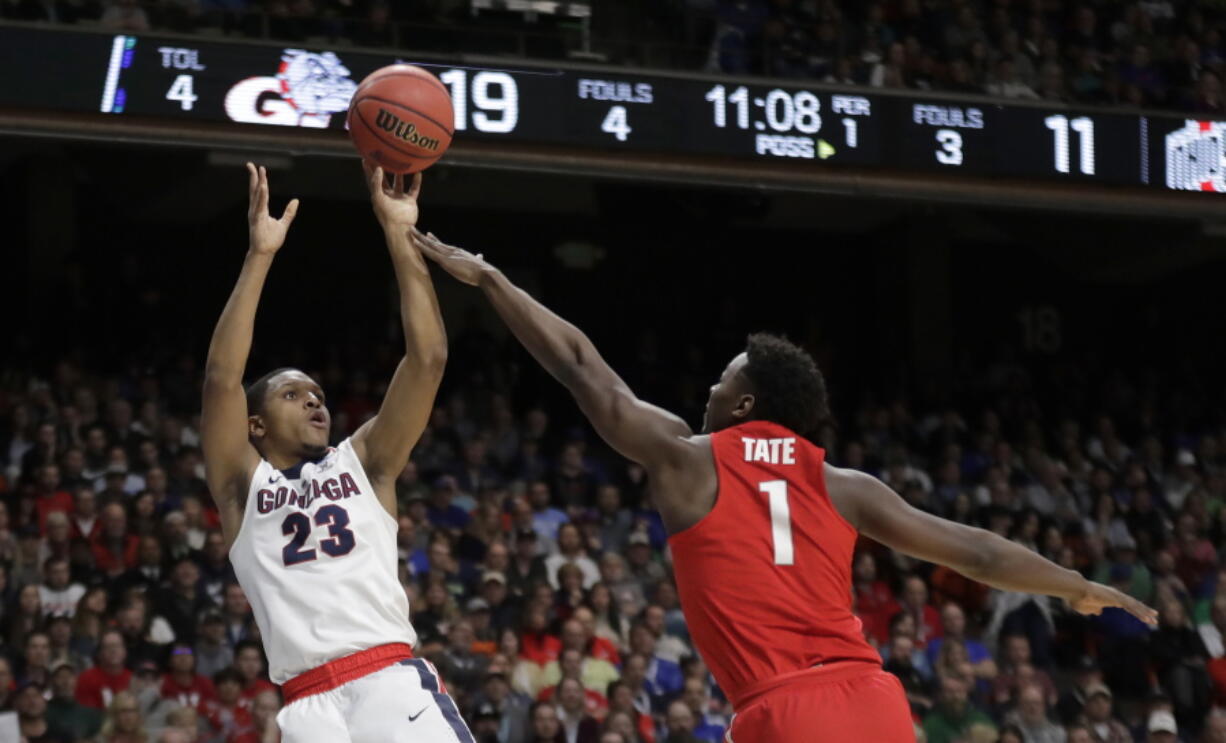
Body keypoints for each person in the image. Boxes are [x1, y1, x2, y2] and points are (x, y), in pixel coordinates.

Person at [415, 230, 1159, 743]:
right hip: (874, 700)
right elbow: (978, 553)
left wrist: (490, 279)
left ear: (743, 404)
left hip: (785, 708)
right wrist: (1073, 584)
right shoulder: (845, 484)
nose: (712, 381)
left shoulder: (687, 455)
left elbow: (584, 370)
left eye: (724, 376)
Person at [198, 162, 465, 743]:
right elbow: (222, 378)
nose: (314, 402)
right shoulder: (242, 488)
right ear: (255, 426)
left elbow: (428, 360)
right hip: (306, 705)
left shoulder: (364, 462)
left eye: (317, 395)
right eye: (292, 395)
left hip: (389, 681)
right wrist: (260, 255)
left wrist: (398, 231)